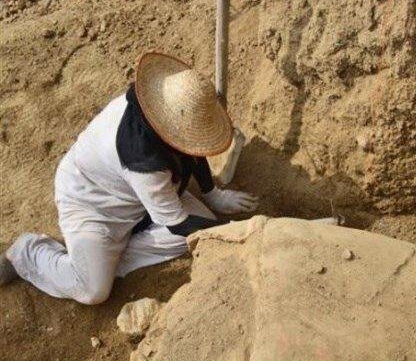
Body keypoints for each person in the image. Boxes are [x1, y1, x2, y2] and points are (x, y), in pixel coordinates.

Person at [0, 52, 257, 304]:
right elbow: (178, 224)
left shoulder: (158, 104)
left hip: (133, 195)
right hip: (92, 204)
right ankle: (27, 253)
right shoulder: (143, 160)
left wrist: (213, 194)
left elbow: (194, 149)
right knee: (93, 290)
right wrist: (237, 232)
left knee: (202, 226)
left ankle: (110, 255)